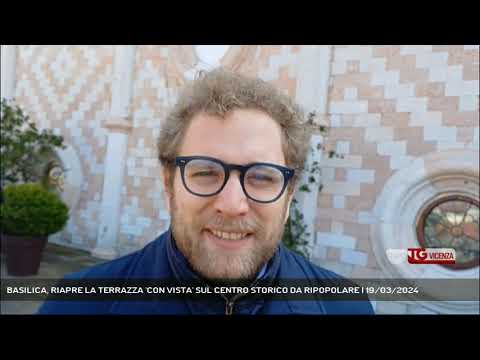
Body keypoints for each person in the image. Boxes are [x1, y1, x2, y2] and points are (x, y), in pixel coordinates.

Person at [38, 69, 374, 315]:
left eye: (261, 177)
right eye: (205, 172)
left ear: (288, 196)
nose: (232, 205)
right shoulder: (76, 304)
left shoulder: (346, 307)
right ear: (169, 185)